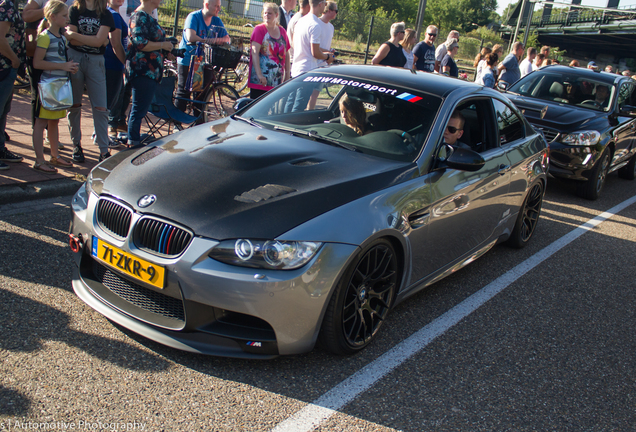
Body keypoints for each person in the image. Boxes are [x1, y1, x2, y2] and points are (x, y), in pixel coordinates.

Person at [64, 0, 115, 163]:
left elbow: (99, 41)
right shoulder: (74, 10)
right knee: (75, 104)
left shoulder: (105, 13)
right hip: (75, 59)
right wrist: (95, 39)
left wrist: (76, 36)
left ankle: (104, 150)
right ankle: (76, 145)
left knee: (100, 107)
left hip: (96, 61)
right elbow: (71, 41)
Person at [32, 0, 78, 172]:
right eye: (64, 16)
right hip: (48, 86)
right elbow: (37, 63)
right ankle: (39, 160)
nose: (67, 19)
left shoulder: (61, 37)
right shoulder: (45, 36)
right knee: (41, 122)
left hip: (58, 86)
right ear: (52, 16)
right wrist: (63, 66)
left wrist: (69, 67)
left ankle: (54, 156)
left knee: (54, 122)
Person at [126, 0, 174, 148]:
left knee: (140, 108)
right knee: (138, 110)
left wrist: (166, 51)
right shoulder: (139, 17)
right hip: (142, 71)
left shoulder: (149, 17)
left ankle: (133, 140)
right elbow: (140, 43)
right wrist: (163, 45)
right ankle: (133, 143)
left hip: (151, 72)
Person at [175, 0, 230, 113]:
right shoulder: (193, 17)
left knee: (202, 93)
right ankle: (177, 121)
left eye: (219, 6)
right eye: (216, 6)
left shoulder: (216, 20)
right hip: (188, 59)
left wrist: (214, 41)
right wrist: (210, 40)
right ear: (206, 5)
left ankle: (198, 121)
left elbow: (227, 39)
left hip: (205, 61)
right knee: (184, 91)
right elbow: (191, 37)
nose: (219, 9)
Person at [285, 0, 333, 112]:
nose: (325, 7)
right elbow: (315, 52)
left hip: (296, 68)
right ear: (320, 4)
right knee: (299, 107)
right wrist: (327, 57)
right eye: (325, 4)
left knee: (290, 102)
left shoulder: (300, 21)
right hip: (307, 70)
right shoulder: (315, 25)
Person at [0, 0, 25, 170]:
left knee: (3, 111)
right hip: (4, 66)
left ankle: (1, 148)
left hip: (8, 66)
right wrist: (14, 60)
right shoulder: (6, 5)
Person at [248, 2, 290, 99]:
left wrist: (287, 75)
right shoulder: (259, 30)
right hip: (260, 81)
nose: (267, 15)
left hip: (276, 81)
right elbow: (254, 53)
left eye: (270, 13)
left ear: (276, 15)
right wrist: (259, 75)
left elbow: (286, 54)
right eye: (265, 13)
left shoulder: (282, 31)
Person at [105, 0, 127, 145]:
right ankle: (101, 136)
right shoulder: (112, 15)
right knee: (107, 103)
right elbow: (116, 44)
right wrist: (126, 63)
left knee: (109, 102)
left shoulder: (115, 14)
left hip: (114, 65)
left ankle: (101, 135)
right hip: (112, 64)